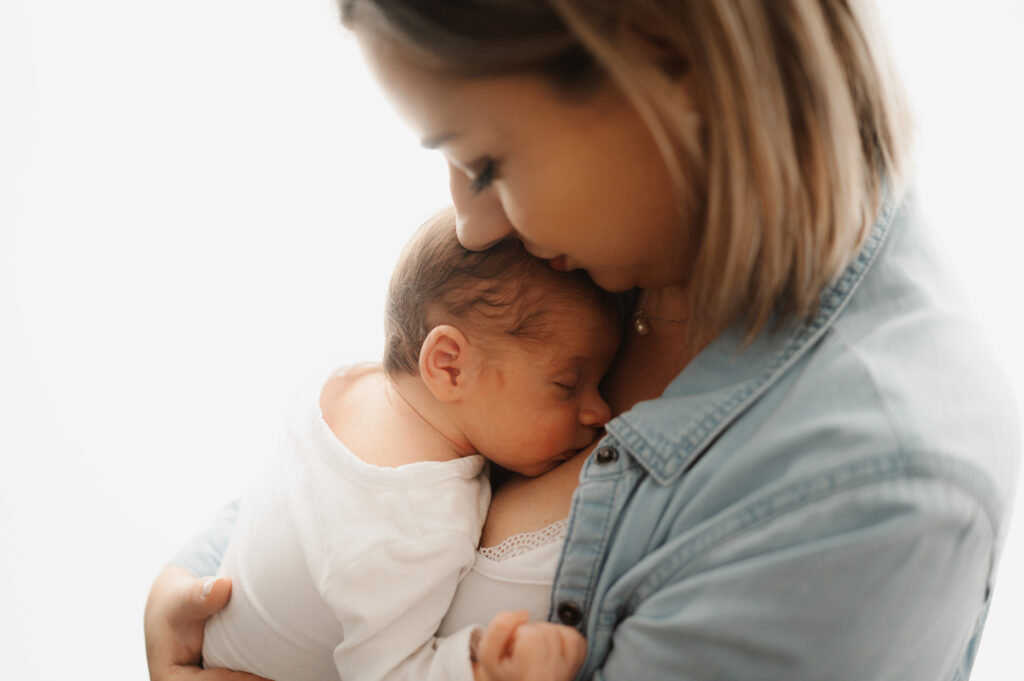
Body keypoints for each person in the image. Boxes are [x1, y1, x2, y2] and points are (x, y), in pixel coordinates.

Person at [145, 2, 1021, 680]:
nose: (473, 224)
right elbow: (382, 441)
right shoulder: (620, 241)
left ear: (667, 65)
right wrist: (188, 590)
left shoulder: (866, 493)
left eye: (488, 162)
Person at [198, 207, 617, 681]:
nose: (600, 412)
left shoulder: (339, 387)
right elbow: (387, 672)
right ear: (449, 366)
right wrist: (492, 669)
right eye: (568, 384)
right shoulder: (416, 522)